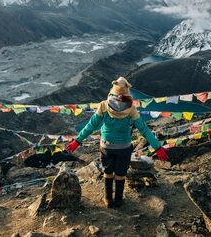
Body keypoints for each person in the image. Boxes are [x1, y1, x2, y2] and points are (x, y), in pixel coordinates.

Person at [66, 77, 169, 208]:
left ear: (112, 91)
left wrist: (77, 141)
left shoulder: (103, 105)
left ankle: (108, 199)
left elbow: (91, 126)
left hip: (106, 146)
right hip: (124, 147)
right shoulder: (131, 108)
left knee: (108, 172)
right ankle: (119, 200)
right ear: (127, 93)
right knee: (120, 174)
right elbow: (144, 129)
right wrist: (157, 147)